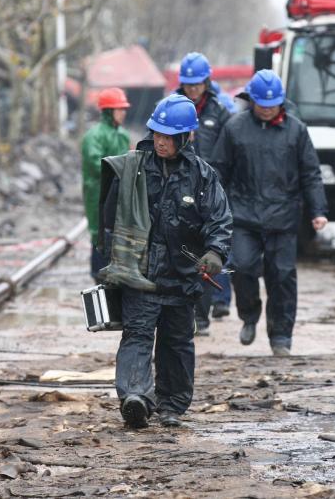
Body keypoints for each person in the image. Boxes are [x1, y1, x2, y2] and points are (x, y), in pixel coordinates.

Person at [99, 94, 232, 428]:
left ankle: (172, 404)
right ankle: (135, 398)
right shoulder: (133, 169)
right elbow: (110, 218)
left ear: (184, 137)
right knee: (138, 335)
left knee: (176, 344)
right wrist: (113, 260)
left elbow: (219, 219)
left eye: (167, 136)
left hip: (182, 276)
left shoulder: (202, 176)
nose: (159, 141)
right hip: (140, 275)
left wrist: (215, 252)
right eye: (156, 133)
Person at [211, 70, 328, 356]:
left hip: (283, 216)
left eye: (271, 103)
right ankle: (249, 315)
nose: (266, 108)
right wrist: (212, 209)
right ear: (251, 100)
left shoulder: (296, 131)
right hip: (243, 215)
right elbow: (218, 171)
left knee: (282, 276)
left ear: (281, 102)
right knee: (242, 266)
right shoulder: (234, 128)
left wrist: (318, 209)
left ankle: (281, 337)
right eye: (261, 103)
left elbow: (310, 174)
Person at [174, 52, 232, 333]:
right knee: (184, 253)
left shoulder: (219, 112)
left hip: (211, 191)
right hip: (178, 191)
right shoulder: (171, 108)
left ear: (207, 82)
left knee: (209, 252)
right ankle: (189, 314)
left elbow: (232, 151)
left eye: (197, 83)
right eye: (188, 84)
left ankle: (203, 316)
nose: (193, 89)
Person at [81, 88, 131, 282]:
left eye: (124, 109)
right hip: (98, 194)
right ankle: (97, 274)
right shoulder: (94, 136)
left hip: (119, 193)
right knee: (99, 233)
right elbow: (95, 164)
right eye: (119, 109)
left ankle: (115, 274)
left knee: (119, 232)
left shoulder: (123, 135)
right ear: (108, 111)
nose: (123, 113)